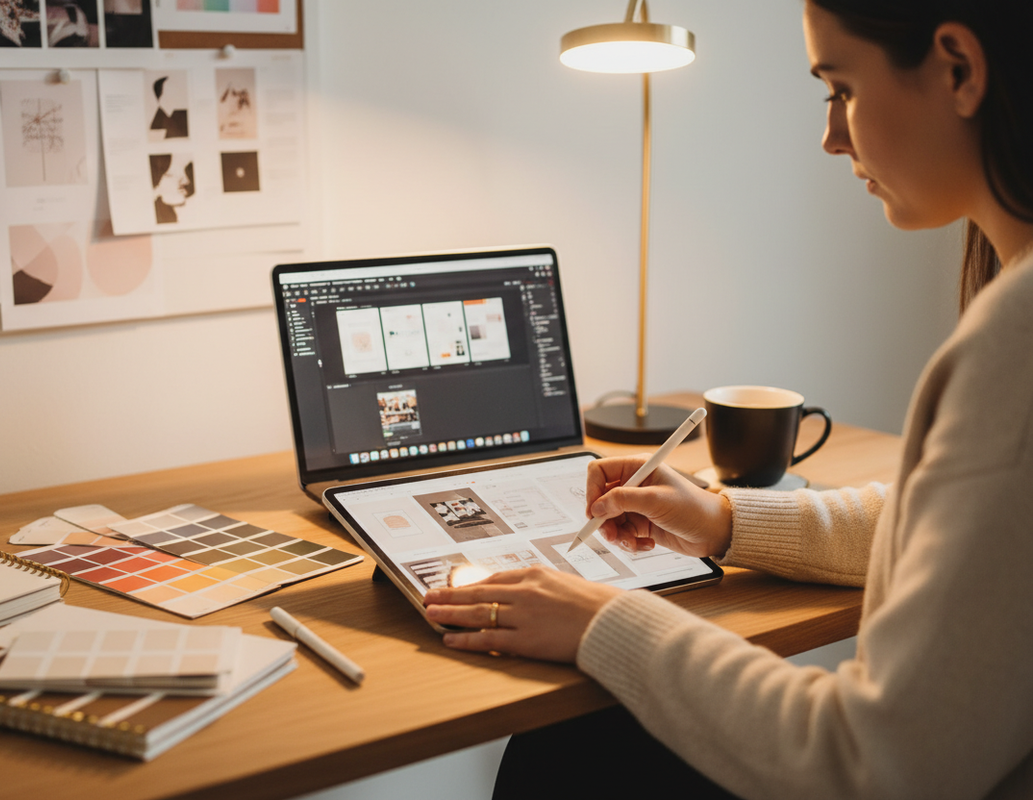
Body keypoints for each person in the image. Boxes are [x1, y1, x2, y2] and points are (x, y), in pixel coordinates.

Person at [424, 1, 1033, 797]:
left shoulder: (1012, 351)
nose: (830, 135)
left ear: (958, 68)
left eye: (840, 87)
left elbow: (875, 762)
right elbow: (958, 537)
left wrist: (598, 622)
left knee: (567, 755)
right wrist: (725, 520)